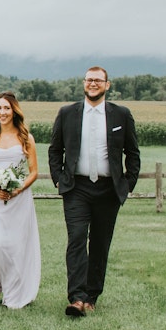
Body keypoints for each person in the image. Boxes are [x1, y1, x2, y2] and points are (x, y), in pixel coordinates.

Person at [49, 66, 140, 317]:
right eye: (89, 80)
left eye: (98, 80)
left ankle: (92, 296)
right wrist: (58, 179)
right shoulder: (68, 113)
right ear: (83, 83)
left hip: (108, 189)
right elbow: (55, 150)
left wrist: (127, 184)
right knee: (76, 239)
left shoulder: (121, 115)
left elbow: (132, 153)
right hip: (76, 188)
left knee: (100, 243)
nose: (93, 84)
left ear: (107, 85)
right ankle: (76, 298)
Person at [0, 92, 41, 309]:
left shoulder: (26, 139)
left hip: (18, 198)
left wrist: (17, 188)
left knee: (15, 246)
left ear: (14, 111)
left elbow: (33, 172)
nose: (2, 112)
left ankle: (14, 289)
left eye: (6, 108)